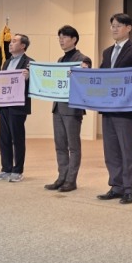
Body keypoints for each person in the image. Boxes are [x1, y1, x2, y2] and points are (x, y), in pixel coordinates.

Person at [96, 14, 132, 205]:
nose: (114, 29)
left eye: (118, 26)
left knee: (128, 149)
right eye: (112, 26)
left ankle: (131, 189)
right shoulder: (107, 52)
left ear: (128, 28)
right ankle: (116, 186)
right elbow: (101, 75)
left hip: (126, 108)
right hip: (108, 107)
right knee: (111, 150)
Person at [45, 26, 91, 193]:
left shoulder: (83, 59)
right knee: (59, 145)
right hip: (58, 107)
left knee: (73, 146)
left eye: (64, 37)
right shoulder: (60, 60)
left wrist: (85, 70)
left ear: (74, 39)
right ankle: (61, 177)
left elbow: (86, 79)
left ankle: (71, 180)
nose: (61, 40)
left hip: (72, 108)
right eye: (59, 37)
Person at [0, 33, 32, 183]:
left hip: (18, 106)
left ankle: (18, 170)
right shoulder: (6, 62)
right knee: (4, 138)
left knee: (17, 138)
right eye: (11, 41)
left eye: (14, 41)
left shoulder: (30, 63)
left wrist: (30, 77)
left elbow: (37, 84)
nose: (10, 43)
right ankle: (6, 168)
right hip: (4, 105)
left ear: (23, 46)